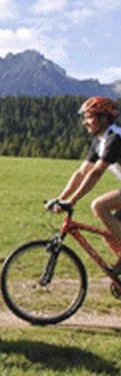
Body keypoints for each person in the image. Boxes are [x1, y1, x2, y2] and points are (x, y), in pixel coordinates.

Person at [47, 96, 121, 274]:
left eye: (89, 117)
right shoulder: (100, 140)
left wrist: (72, 201)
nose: (84, 122)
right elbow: (82, 172)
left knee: (99, 206)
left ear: (104, 118)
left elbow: (95, 173)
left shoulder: (114, 138)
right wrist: (61, 198)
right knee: (110, 235)